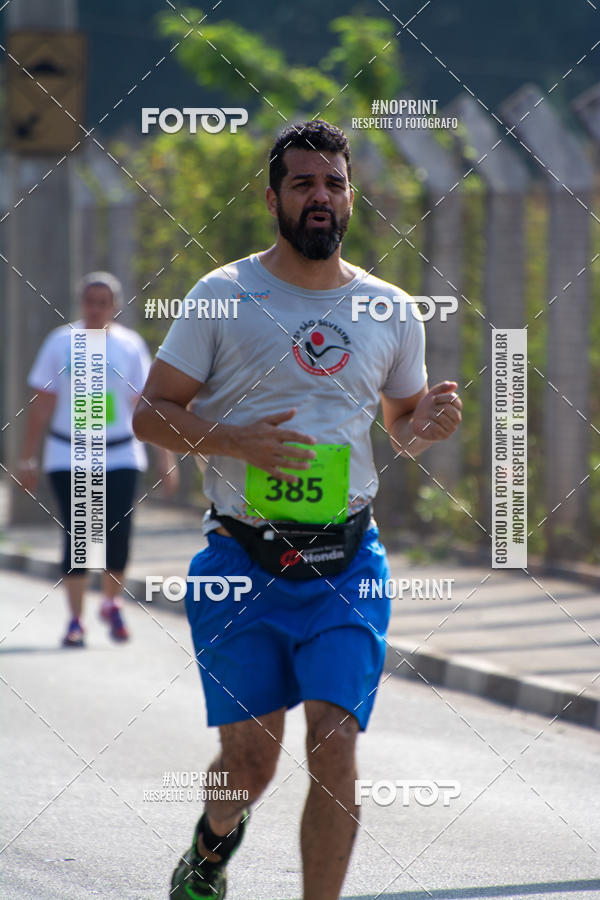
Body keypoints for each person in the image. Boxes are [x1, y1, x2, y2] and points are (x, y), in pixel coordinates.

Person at [133, 120, 462, 900]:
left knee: (337, 745)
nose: (321, 196)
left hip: (347, 561)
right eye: (305, 183)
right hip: (241, 560)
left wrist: (424, 428)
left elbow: (402, 421)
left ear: (352, 197)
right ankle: (209, 852)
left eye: (334, 183)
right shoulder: (222, 296)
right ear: (274, 196)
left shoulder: (388, 308)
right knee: (250, 764)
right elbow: (151, 414)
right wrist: (233, 438)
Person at [19, 271, 178, 648]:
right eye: (89, 301)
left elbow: (145, 405)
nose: (95, 309)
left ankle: (111, 601)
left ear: (115, 307)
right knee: (81, 536)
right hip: (68, 451)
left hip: (121, 452)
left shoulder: (130, 346)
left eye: (103, 302)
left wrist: (165, 458)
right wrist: (27, 457)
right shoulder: (61, 342)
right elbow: (42, 403)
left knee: (117, 534)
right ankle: (76, 620)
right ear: (81, 304)